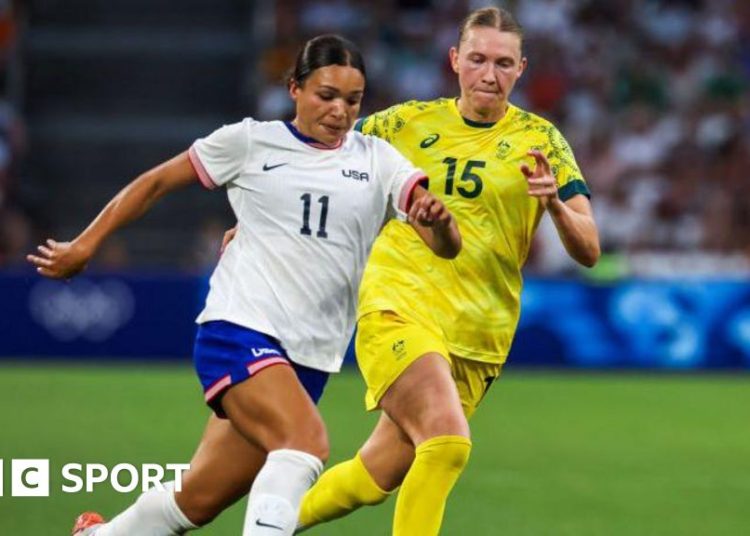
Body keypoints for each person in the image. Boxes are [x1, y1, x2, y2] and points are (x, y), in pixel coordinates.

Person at [26, 34, 460, 536]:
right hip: (239, 329)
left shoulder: (378, 160)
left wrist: (440, 221)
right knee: (305, 443)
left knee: (197, 500)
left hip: (308, 359)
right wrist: (86, 243)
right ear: (294, 88)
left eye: (352, 100)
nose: (340, 110)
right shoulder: (251, 141)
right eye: (326, 95)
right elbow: (155, 183)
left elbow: (444, 245)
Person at [294, 7, 600, 535]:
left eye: (503, 63)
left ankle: (268, 524)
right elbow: (312, 158)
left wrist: (553, 204)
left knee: (374, 478)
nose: (489, 74)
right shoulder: (402, 124)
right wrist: (258, 225)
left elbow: (590, 248)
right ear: (455, 60)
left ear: (521, 68)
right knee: (447, 443)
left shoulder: (542, 140)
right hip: (399, 305)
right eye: (478, 59)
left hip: (480, 335)